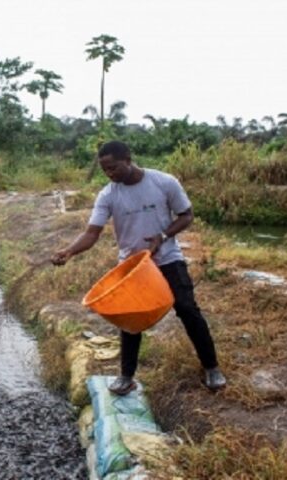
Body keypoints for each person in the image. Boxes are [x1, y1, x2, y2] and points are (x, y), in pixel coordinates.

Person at [51, 140, 226, 395]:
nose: (110, 174)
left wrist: (162, 237)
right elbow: (92, 233)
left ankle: (212, 368)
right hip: (132, 267)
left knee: (188, 309)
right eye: (105, 170)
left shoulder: (163, 182)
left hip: (167, 259)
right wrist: (69, 251)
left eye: (114, 167)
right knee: (129, 319)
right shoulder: (108, 194)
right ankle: (126, 376)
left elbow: (186, 215)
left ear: (128, 159)